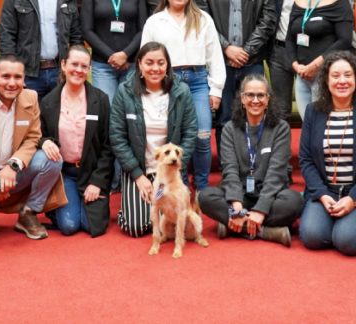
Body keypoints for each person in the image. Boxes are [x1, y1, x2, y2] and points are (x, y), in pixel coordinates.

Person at [0, 56, 66, 243]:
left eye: (17, 77)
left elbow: (33, 138)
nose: (12, 83)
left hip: (13, 172)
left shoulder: (30, 98)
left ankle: (28, 213)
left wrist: (13, 165)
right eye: (6, 76)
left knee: (52, 159)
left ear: (24, 79)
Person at [141, 0, 225, 190]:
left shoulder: (203, 19)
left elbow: (214, 56)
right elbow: (145, 57)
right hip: (168, 82)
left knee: (202, 135)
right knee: (175, 137)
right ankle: (181, 186)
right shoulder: (155, 21)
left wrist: (216, 89)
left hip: (198, 82)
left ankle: (202, 188)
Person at [199, 74, 303, 247]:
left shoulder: (281, 128)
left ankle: (235, 226)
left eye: (260, 95)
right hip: (240, 195)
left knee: (295, 201)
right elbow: (230, 170)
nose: (255, 100)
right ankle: (265, 231)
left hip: (270, 196)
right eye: (250, 95)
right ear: (242, 98)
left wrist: (260, 210)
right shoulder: (230, 129)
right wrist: (236, 206)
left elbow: (276, 174)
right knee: (205, 197)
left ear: (268, 99)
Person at [198, 0, 276, 154]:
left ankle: (254, 165)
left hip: (252, 62)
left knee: (256, 114)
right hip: (220, 63)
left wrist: (246, 51)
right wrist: (226, 48)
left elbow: (268, 20)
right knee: (224, 118)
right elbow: (203, 20)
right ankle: (228, 166)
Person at [109, 42, 197, 237]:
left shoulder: (181, 92)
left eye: (160, 63)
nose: (155, 68)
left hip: (169, 172)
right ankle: (134, 207)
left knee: (174, 224)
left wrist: (175, 167)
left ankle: (153, 209)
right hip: (139, 170)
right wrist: (137, 175)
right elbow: (117, 136)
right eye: (149, 63)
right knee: (136, 228)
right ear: (139, 64)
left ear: (167, 65)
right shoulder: (125, 92)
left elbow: (191, 132)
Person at [81, 0, 147, 191]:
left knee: (128, 119)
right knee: (108, 120)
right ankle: (109, 177)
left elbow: (143, 29)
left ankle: (126, 176)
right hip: (102, 66)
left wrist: (125, 54)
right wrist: (112, 56)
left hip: (130, 66)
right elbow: (87, 30)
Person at [40, 45, 113, 237]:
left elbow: (108, 146)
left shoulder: (100, 100)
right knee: (69, 226)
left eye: (84, 66)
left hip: (92, 172)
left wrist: (97, 182)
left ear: (89, 69)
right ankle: (63, 205)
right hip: (66, 173)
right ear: (63, 65)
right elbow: (39, 135)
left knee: (92, 226)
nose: (79, 70)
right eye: (74, 64)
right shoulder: (48, 103)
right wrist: (44, 142)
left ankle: (87, 202)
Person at [0, 0, 83, 100]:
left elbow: (76, 36)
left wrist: (73, 68)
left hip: (60, 73)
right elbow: (6, 37)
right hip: (29, 75)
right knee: (29, 115)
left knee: (59, 115)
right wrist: (14, 74)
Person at [299, 51, 356, 255]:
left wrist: (352, 199)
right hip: (325, 191)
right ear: (326, 80)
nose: (342, 81)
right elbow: (305, 159)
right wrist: (322, 194)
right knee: (312, 236)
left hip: (354, 192)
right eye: (335, 76)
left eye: (348, 75)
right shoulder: (313, 111)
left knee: (346, 241)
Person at [286, 0, 353, 120]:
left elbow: (344, 40)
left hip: (326, 76)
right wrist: (296, 66)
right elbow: (290, 39)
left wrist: (315, 66)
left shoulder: (339, 1)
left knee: (324, 125)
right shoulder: (299, 1)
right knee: (308, 124)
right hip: (302, 76)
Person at [267, 0, 309, 120]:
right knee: (280, 110)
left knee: (311, 106)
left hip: (308, 51)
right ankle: (281, 141)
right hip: (279, 52)